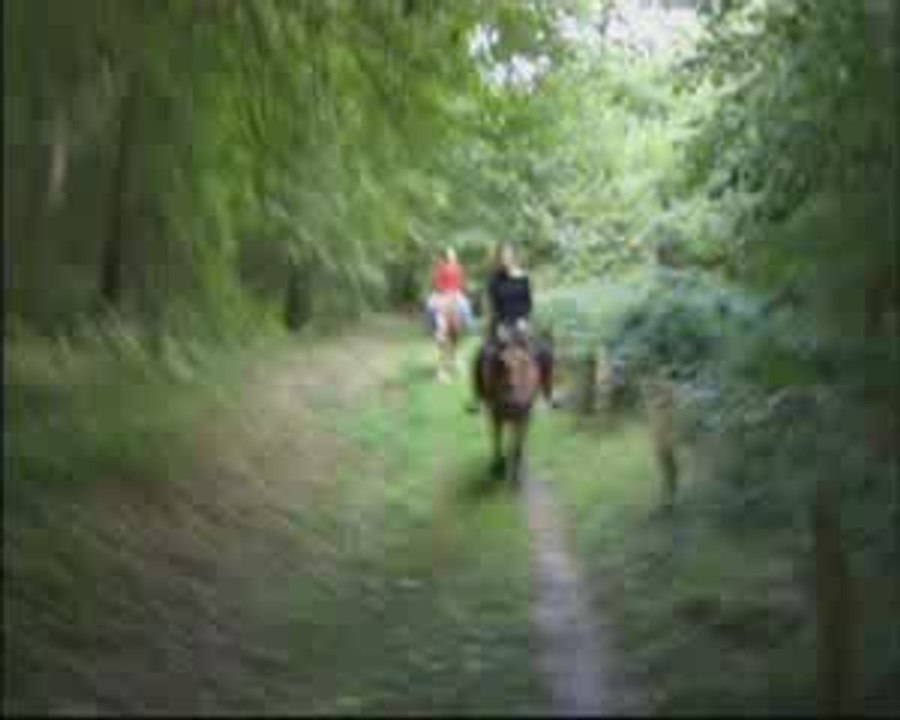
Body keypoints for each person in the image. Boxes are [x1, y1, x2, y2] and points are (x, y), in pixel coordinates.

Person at [467, 242, 555, 413]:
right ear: (499, 258)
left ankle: (547, 394)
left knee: (545, 352)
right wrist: (500, 324)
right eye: (502, 255)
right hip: (501, 324)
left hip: (522, 324)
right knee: (482, 354)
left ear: (514, 256)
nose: (506, 258)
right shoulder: (494, 279)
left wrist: (524, 320)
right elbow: (493, 304)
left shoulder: (524, 278)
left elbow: (528, 303)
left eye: (509, 254)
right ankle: (479, 398)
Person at [426, 247, 473, 334]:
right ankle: (431, 325)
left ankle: (468, 324)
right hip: (444, 292)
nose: (452, 257)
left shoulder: (459, 268)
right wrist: (443, 290)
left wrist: (459, 290)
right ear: (447, 257)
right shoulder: (442, 267)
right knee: (430, 304)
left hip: (455, 292)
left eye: (453, 255)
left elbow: (462, 282)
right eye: (450, 255)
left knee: (466, 305)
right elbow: (438, 281)